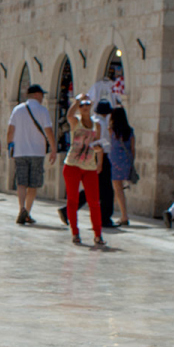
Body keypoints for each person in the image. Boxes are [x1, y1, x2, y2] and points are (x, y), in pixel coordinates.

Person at [6, 84, 56, 225]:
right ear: (36, 95)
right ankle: (27, 212)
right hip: (37, 152)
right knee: (33, 184)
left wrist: (10, 146)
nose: (43, 97)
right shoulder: (43, 110)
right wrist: (53, 149)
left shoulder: (17, 110)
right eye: (42, 95)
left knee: (21, 182)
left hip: (20, 151)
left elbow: (10, 131)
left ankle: (21, 208)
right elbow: (49, 131)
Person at [61, 98, 106, 246]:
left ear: (91, 105)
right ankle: (75, 232)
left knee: (94, 201)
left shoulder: (97, 125)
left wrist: (99, 161)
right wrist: (77, 101)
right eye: (82, 105)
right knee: (72, 200)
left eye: (87, 104)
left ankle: (98, 234)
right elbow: (69, 115)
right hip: (72, 165)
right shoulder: (76, 122)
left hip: (89, 166)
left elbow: (98, 143)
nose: (84, 107)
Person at [107, 107, 136, 226]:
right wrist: (131, 163)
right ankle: (122, 214)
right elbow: (133, 148)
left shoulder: (111, 130)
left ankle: (124, 216)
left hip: (114, 161)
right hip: (125, 161)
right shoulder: (130, 130)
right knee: (119, 189)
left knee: (117, 188)